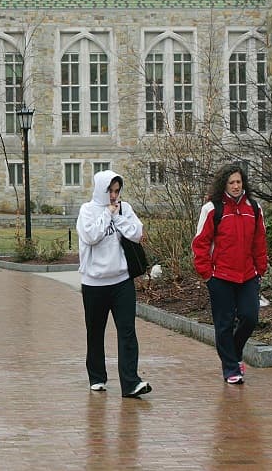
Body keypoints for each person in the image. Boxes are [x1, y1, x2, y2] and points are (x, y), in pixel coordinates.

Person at [76, 169, 152, 398]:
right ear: (101, 190)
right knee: (95, 331)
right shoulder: (87, 211)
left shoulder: (124, 208)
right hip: (94, 283)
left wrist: (118, 215)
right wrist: (108, 214)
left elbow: (137, 233)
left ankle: (131, 383)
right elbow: (91, 236)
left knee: (127, 330)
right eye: (110, 191)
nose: (114, 196)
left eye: (117, 191)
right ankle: (97, 377)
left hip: (121, 281)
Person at [192, 163, 268, 385]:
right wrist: (207, 274)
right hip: (220, 277)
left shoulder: (254, 208)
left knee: (249, 317)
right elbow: (200, 244)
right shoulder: (212, 209)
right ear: (224, 184)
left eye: (239, 182)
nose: (236, 186)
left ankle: (233, 355)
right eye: (231, 182)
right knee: (224, 324)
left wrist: (260, 269)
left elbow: (260, 241)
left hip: (248, 275)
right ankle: (231, 369)